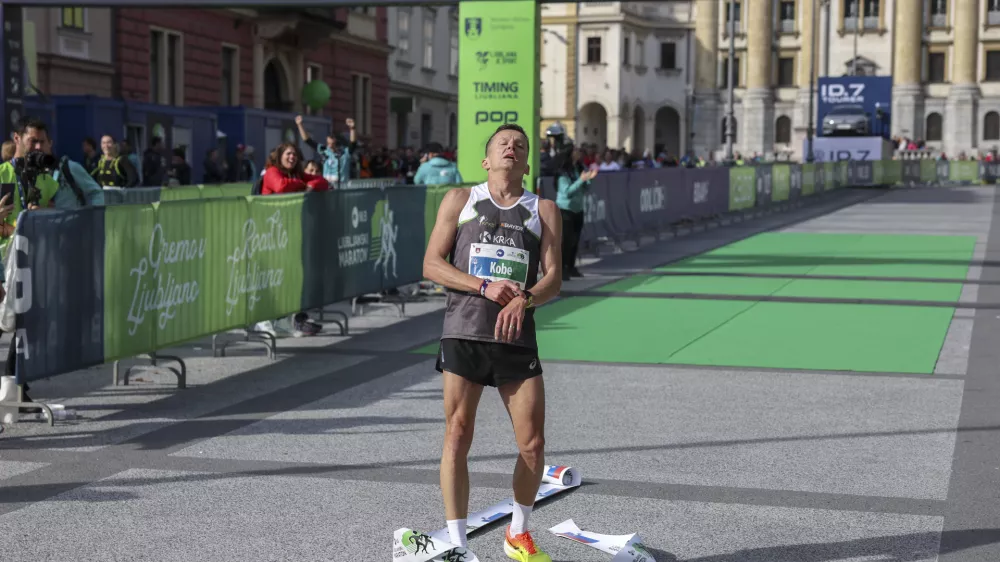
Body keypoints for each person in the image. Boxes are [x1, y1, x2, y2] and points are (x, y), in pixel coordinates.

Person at [422, 123, 562, 561]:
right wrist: (481, 286)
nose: (510, 147)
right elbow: (430, 264)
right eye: (502, 143)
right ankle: (458, 544)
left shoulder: (544, 208)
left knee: (533, 444)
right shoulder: (461, 200)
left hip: (515, 338)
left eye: (519, 145)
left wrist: (525, 298)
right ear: (486, 160)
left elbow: (554, 278)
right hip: (464, 330)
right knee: (457, 434)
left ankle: (517, 533)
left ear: (525, 162)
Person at [0, 116, 58, 412]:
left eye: (41, 141)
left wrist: (42, 219)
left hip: (33, 264)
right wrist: (17, 227)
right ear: (18, 138)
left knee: (25, 329)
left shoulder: (46, 179)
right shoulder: (2, 175)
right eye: (31, 140)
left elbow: (57, 219)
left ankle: (16, 392)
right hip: (3, 265)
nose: (36, 146)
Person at [555, 148, 597, 280]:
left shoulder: (579, 168)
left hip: (578, 209)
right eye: (576, 152)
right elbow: (567, 192)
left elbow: (585, 188)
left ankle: (571, 266)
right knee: (565, 241)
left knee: (575, 240)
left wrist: (588, 179)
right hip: (565, 209)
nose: (578, 155)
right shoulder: (563, 173)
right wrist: (581, 180)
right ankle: (562, 269)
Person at [294, 115, 356, 188]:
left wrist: (352, 129)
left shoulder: (345, 153)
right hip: (327, 189)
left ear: (337, 144)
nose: (330, 146)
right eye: (328, 144)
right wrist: (299, 125)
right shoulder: (324, 150)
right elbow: (308, 140)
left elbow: (353, 144)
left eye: (333, 144)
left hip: (341, 189)